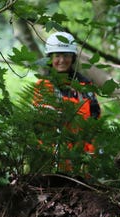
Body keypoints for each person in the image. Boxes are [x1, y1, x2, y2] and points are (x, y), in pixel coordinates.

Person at [33, 31, 101, 172]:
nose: (62, 60)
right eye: (57, 55)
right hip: (53, 161)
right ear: (50, 58)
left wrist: (90, 156)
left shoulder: (85, 86)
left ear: (73, 57)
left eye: (66, 55)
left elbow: (94, 122)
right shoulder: (43, 86)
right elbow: (39, 127)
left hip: (82, 161)